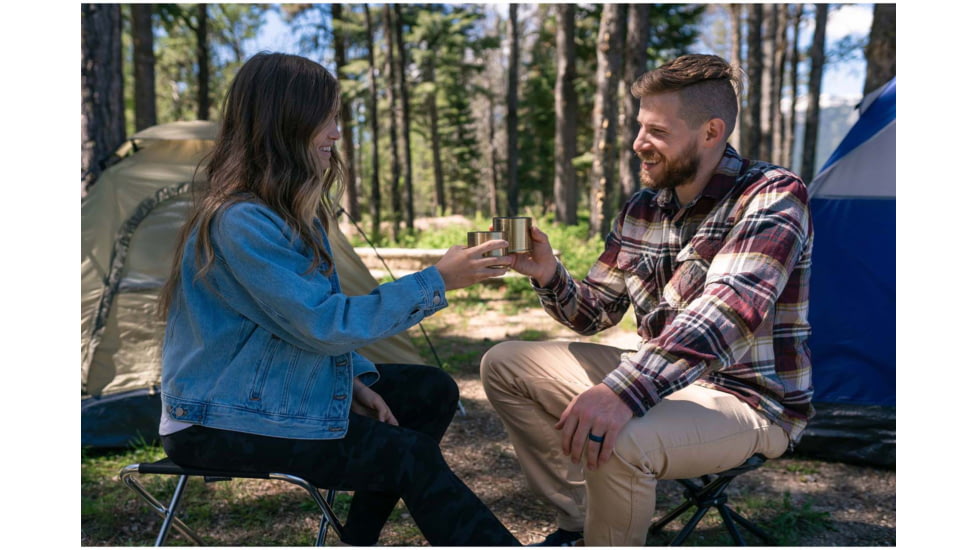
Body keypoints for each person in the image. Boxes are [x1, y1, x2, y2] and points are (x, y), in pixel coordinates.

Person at [157, 52, 521, 547]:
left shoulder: (287, 215)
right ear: (286, 123)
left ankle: (357, 541)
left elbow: (288, 328)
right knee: (407, 455)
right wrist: (437, 280)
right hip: (217, 418)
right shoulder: (240, 222)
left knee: (430, 390)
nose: (335, 134)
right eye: (326, 119)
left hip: (260, 393)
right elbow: (323, 324)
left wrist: (349, 378)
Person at [481, 53, 814, 547]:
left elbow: (726, 310)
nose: (639, 143)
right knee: (504, 363)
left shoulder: (771, 195)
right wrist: (549, 274)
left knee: (622, 440)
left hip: (747, 399)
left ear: (711, 132)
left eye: (656, 131)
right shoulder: (644, 206)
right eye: (640, 127)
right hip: (660, 380)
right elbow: (595, 311)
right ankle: (580, 521)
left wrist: (621, 392)